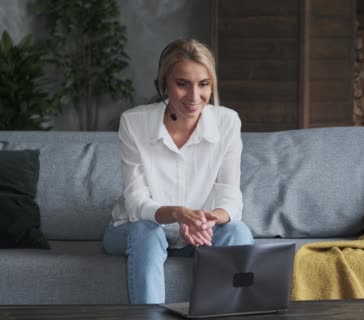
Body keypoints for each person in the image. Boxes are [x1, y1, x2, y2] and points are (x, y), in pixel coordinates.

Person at [102, 38, 254, 304]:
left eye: (203, 84)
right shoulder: (134, 122)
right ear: (164, 85)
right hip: (135, 229)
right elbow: (137, 203)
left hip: (198, 232)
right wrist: (177, 214)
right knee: (146, 232)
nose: (194, 97)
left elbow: (231, 198)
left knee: (238, 231)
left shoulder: (227, 121)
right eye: (182, 84)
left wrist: (206, 221)